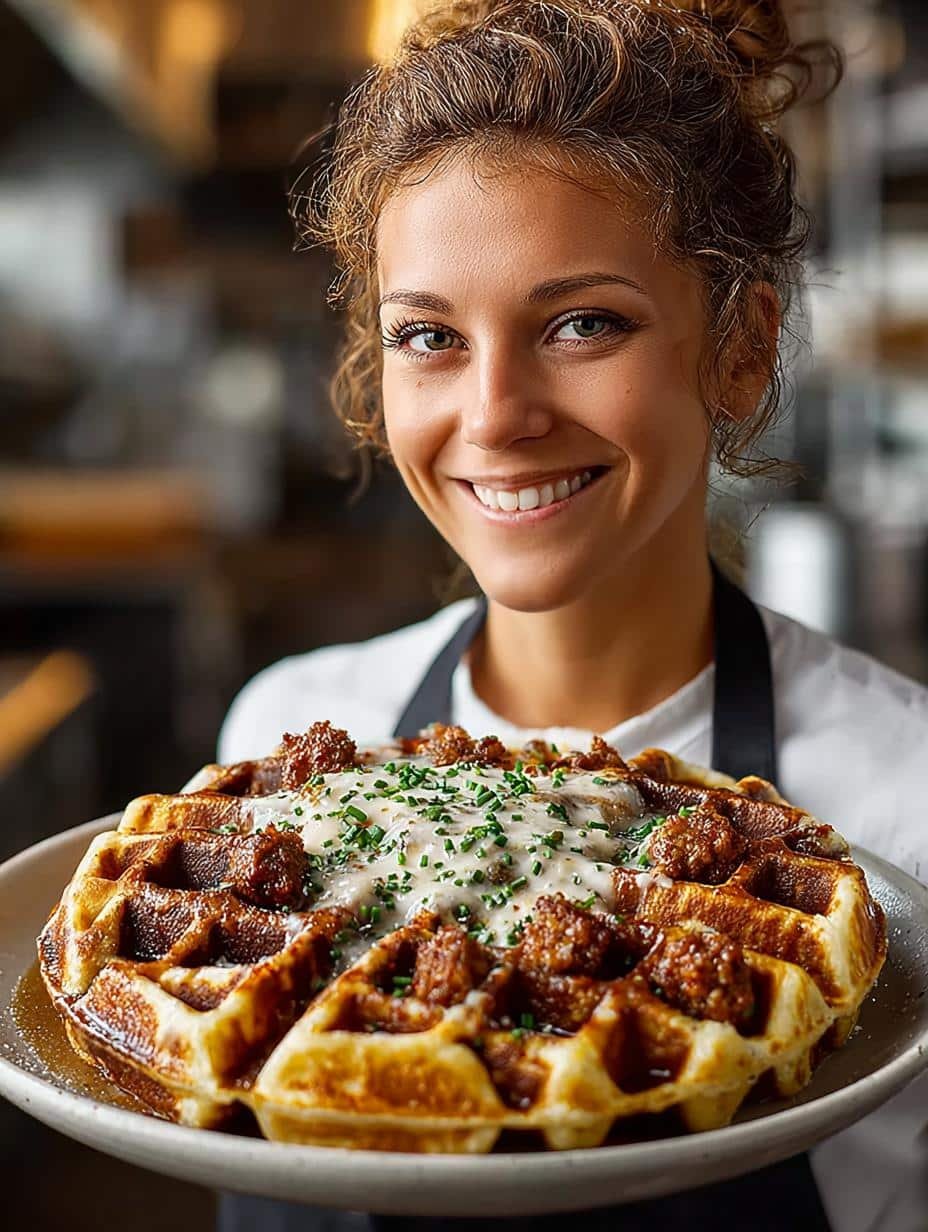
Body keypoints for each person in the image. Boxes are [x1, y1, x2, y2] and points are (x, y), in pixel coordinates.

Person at [214, 2, 928, 1230]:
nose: (494, 414)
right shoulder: (284, 739)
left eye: (582, 322)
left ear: (743, 347)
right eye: (428, 335)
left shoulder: (902, 797)